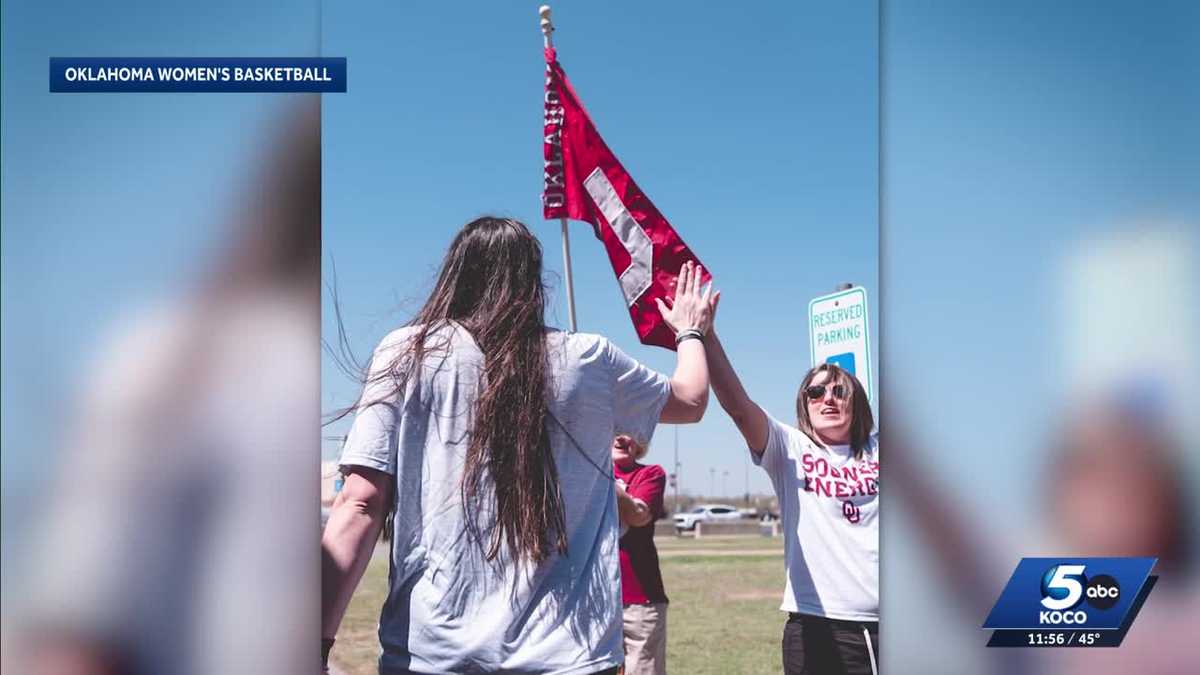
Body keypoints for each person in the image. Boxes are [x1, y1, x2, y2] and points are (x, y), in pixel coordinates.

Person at [320, 217, 715, 674]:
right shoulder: (589, 359)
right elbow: (691, 400)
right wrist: (690, 331)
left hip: (433, 653)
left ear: (456, 274)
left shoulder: (407, 352)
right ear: (534, 283)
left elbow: (361, 502)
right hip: (569, 656)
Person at [702, 293, 879, 675]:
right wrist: (707, 337)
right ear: (804, 403)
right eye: (815, 392)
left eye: (839, 391)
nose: (827, 398)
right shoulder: (790, 448)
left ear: (857, 401)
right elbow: (739, 406)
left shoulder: (882, 449)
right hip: (814, 625)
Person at [611, 435, 669, 675]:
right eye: (614, 429)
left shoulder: (650, 474)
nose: (621, 437)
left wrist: (604, 480)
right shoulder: (580, 475)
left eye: (630, 431)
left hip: (639, 600)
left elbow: (638, 516)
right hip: (591, 600)